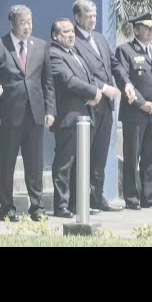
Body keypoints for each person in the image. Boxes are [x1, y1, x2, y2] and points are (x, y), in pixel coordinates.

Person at [0, 5, 56, 222]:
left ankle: (37, 207)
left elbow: (48, 82)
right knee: (6, 164)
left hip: (34, 115)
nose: (27, 27)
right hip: (8, 115)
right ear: (12, 24)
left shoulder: (41, 46)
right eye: (22, 22)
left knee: (35, 164)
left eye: (30, 22)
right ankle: (7, 207)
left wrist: (50, 109)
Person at [71, 0, 136, 211]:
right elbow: (81, 71)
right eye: (88, 16)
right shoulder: (73, 39)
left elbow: (113, 64)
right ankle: (78, 200)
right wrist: (103, 87)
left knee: (99, 154)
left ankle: (97, 196)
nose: (92, 20)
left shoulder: (99, 38)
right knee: (84, 154)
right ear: (77, 17)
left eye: (94, 16)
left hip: (107, 106)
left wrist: (125, 83)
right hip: (88, 105)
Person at [114, 12, 152, 210]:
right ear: (136, 29)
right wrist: (142, 103)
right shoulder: (125, 51)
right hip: (135, 113)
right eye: (146, 28)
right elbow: (125, 80)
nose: (150, 31)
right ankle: (132, 198)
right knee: (132, 155)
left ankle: (151, 197)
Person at [49, 18, 102, 218]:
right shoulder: (54, 54)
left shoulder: (74, 53)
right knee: (65, 164)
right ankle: (61, 205)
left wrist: (95, 91)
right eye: (65, 32)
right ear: (55, 36)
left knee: (80, 164)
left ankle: (77, 203)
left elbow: (88, 76)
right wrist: (93, 92)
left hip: (83, 117)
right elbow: (68, 81)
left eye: (72, 31)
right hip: (68, 118)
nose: (71, 35)